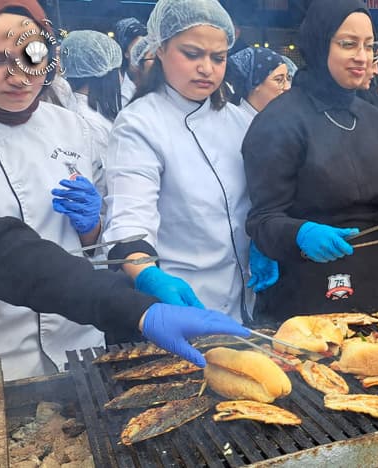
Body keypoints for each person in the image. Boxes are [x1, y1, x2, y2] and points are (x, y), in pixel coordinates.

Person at [0, 194, 252, 443]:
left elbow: (108, 223)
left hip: (82, 327)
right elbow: (0, 249)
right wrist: (138, 307)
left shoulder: (77, 137)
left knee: (94, 412)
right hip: (4, 343)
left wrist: (92, 230)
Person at [103, 0, 276, 324]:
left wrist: (266, 241)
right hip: (180, 304)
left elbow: (261, 197)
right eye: (192, 54)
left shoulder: (238, 120)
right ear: (162, 50)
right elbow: (129, 221)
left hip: (244, 301)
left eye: (218, 58)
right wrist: (148, 276)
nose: (207, 68)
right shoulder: (139, 123)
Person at [242, 0, 378, 324]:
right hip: (307, 291)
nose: (362, 57)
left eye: (368, 46)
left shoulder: (374, 120)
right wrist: (300, 233)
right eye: (347, 44)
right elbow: (262, 220)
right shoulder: (279, 121)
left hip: (377, 282)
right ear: (320, 44)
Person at [0, 0, 107, 405]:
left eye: (31, 56)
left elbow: (98, 240)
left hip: (80, 340)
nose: (20, 77)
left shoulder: (72, 127)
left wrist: (92, 225)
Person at [60, 30, 123, 151]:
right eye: (118, 70)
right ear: (103, 72)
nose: (121, 77)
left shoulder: (77, 107)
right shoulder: (90, 122)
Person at [225, 47, 290, 112]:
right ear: (255, 83)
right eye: (278, 79)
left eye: (288, 78)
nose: (287, 87)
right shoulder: (229, 118)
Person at [113, 17, 147, 107]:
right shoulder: (117, 91)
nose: (143, 53)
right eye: (137, 49)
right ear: (125, 53)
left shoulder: (162, 82)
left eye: (146, 47)